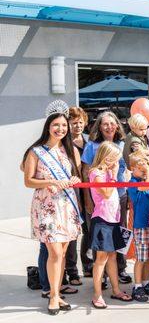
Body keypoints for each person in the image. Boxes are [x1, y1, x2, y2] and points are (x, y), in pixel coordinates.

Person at [22, 101, 82, 314]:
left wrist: (73, 179)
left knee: (62, 252)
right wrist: (51, 182)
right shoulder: (36, 151)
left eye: (64, 125)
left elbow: (76, 175)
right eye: (56, 125)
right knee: (54, 252)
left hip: (66, 206)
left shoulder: (70, 150)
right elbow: (28, 181)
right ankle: (53, 296)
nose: (61, 129)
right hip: (46, 207)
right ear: (48, 126)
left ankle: (57, 292)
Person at [81, 111, 131, 284]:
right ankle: (101, 274)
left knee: (120, 233)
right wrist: (87, 199)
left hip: (121, 195)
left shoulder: (122, 143)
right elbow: (86, 172)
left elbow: (126, 170)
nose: (109, 126)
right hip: (100, 198)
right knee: (100, 237)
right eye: (105, 124)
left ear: (117, 125)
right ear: (99, 127)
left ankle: (120, 268)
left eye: (112, 123)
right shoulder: (92, 145)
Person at [88, 141, 133, 308]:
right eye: (114, 159)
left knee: (113, 256)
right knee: (101, 258)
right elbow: (106, 193)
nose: (116, 163)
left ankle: (116, 290)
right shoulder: (96, 172)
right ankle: (97, 294)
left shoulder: (107, 172)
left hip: (113, 219)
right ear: (106, 157)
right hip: (102, 220)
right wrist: (113, 175)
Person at [127, 151, 149, 302]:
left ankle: (147, 283)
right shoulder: (133, 183)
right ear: (132, 169)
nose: (143, 172)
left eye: (144, 169)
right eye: (140, 169)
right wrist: (147, 172)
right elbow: (147, 184)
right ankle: (137, 286)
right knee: (140, 258)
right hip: (141, 225)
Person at [65, 106, 88, 286]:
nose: (78, 126)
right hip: (70, 190)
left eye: (80, 122)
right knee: (72, 233)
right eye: (74, 123)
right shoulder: (63, 143)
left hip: (87, 189)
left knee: (87, 230)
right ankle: (72, 271)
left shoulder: (88, 141)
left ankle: (87, 265)